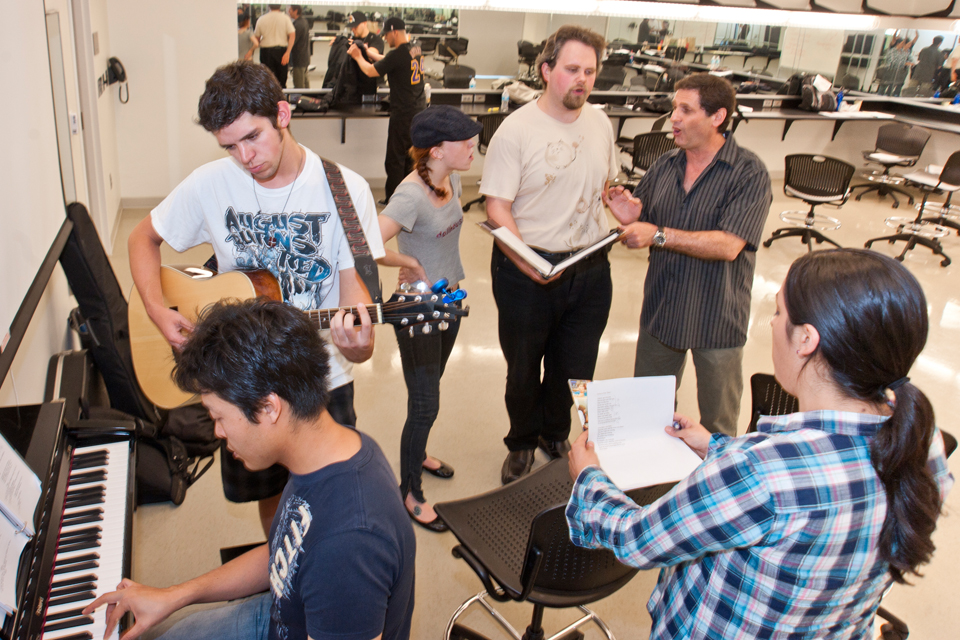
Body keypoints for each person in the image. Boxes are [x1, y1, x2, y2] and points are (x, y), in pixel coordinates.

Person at [566, 248, 954, 640]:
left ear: (806, 339)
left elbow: (638, 539)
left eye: (778, 312)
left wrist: (589, 480)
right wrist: (715, 445)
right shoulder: (921, 433)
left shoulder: (760, 472)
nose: (771, 323)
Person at [127, 60, 384, 534]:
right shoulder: (210, 183)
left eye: (253, 137)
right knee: (271, 500)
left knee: (331, 495)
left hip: (320, 376)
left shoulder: (345, 190)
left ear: (283, 115)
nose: (245, 157)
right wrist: (156, 308)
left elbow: (355, 297)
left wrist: (361, 343)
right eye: (229, 146)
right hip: (242, 379)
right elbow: (142, 239)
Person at [83, 298, 416, 640]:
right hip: (282, 613)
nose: (217, 432)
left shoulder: (349, 545)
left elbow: (323, 556)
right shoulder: (328, 449)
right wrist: (174, 596)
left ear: (269, 408)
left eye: (218, 417)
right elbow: (285, 553)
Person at [479, 25, 618, 484]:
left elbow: (606, 186)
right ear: (546, 71)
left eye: (590, 71)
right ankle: (520, 441)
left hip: (590, 264)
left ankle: (554, 433)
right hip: (528, 262)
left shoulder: (600, 121)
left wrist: (620, 203)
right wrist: (526, 260)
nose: (582, 79)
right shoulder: (515, 131)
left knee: (576, 366)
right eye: (572, 69)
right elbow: (496, 206)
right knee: (523, 367)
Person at [605, 73, 771, 437]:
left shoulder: (748, 173)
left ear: (718, 117)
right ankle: (651, 485)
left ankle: (716, 486)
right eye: (673, 108)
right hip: (663, 310)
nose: (673, 118)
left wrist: (659, 235)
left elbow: (729, 245)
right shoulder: (666, 165)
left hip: (718, 315)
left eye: (685, 110)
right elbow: (646, 219)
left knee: (719, 424)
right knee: (648, 413)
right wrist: (630, 214)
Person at [377, 106, 482, 532]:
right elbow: (364, 243)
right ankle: (410, 491)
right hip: (417, 308)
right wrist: (409, 261)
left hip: (447, 298)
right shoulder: (410, 194)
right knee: (426, 402)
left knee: (429, 389)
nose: (473, 147)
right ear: (437, 150)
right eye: (465, 141)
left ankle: (416, 450)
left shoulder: (452, 178)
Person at [348, 17, 426, 205]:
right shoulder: (415, 48)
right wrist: (368, 52)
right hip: (419, 110)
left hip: (403, 113)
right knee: (410, 158)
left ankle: (394, 200)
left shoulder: (397, 54)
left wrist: (358, 56)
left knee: (395, 159)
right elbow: (390, 62)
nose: (385, 39)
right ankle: (409, 197)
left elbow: (370, 71)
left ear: (395, 32)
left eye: (387, 35)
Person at [254, 4, 295, 87]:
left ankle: (269, 98)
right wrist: (288, 52)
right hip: (282, 52)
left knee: (268, 79)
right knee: (282, 80)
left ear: (269, 6)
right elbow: (292, 35)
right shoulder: (285, 18)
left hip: (266, 52)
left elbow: (256, 38)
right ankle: (281, 98)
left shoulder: (262, 19)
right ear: (280, 6)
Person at [287, 4, 310, 88]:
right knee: (305, 83)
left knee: (299, 86)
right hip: (304, 58)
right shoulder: (304, 21)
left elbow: (292, 40)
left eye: (290, 10)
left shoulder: (297, 25)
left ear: (295, 11)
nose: (289, 12)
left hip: (299, 59)